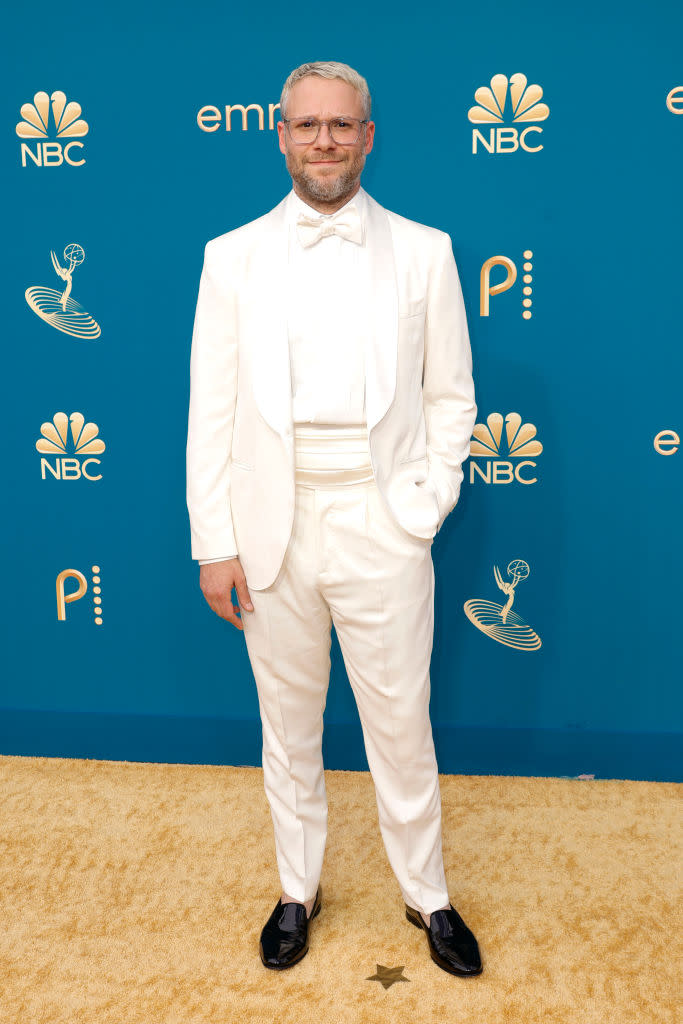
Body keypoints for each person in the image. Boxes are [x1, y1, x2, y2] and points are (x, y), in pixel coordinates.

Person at [186, 60, 481, 977]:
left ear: (367, 134)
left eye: (341, 126)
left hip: (381, 520)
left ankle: (426, 895)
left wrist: (422, 505)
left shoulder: (425, 250)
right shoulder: (229, 256)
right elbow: (212, 410)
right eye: (306, 125)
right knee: (288, 724)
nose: (324, 141)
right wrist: (214, 542)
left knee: (401, 720)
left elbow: (452, 399)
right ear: (279, 134)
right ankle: (295, 890)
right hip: (271, 526)